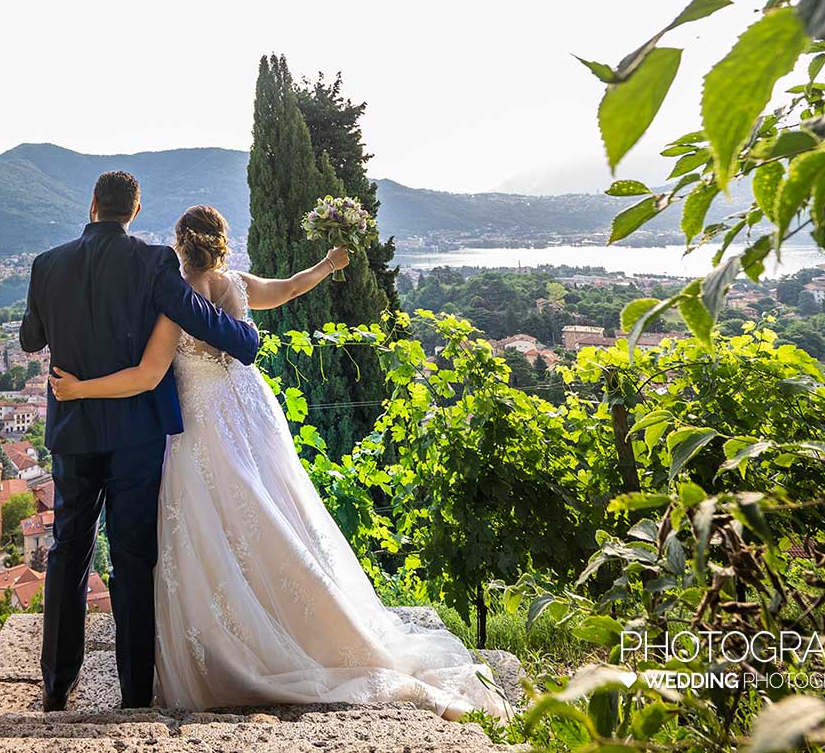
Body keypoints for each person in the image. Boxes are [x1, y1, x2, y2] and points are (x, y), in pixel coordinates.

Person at [50, 203, 510, 721]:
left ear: (179, 245)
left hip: (199, 428)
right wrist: (330, 265)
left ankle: (237, 638)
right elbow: (291, 286)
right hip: (249, 415)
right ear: (221, 243)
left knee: (211, 526)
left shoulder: (170, 302)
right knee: (275, 508)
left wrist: (80, 389)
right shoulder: (238, 286)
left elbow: (146, 376)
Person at [20, 171, 261, 711]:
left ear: (92, 206)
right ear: (133, 210)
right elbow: (198, 316)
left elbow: (31, 338)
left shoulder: (47, 264)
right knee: (133, 558)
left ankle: (57, 685)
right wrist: (246, 338)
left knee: (68, 553)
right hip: (136, 437)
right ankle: (133, 694)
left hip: (74, 431)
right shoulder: (153, 262)